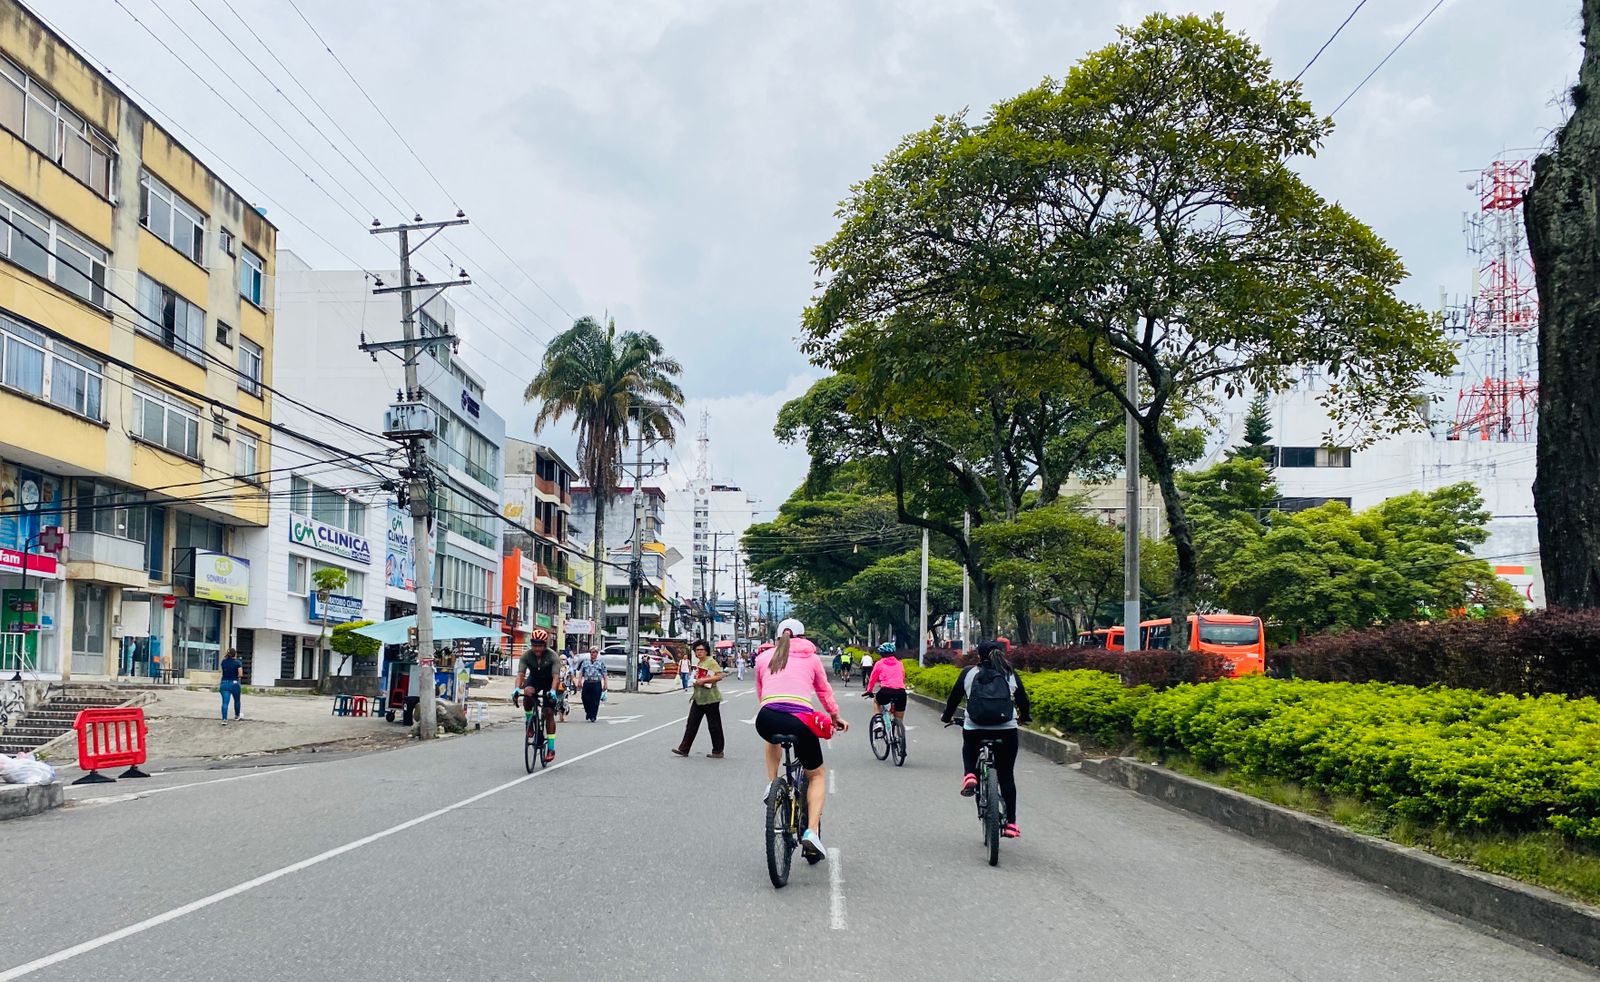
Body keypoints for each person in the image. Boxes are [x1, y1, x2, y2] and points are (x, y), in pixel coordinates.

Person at [755, 618, 847, 862]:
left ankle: (772, 783)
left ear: (777, 637)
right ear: (803, 637)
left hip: (766, 718)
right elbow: (824, 692)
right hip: (800, 721)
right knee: (816, 775)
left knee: (771, 738)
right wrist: (835, 717)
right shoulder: (811, 658)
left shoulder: (763, 658)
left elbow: (762, 695)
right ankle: (812, 832)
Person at [940, 640, 1031, 840]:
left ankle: (970, 775)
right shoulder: (1010, 673)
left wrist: (946, 717)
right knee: (1006, 776)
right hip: (1006, 729)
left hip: (976, 727)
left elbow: (954, 698)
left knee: (969, 746)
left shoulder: (968, 673)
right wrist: (1025, 717)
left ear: (979, 656)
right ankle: (1011, 824)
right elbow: (1023, 700)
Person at [672, 639, 725, 758]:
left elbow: (720, 675)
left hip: (711, 698)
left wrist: (704, 680)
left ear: (706, 651)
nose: (699, 652)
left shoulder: (711, 661)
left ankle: (718, 750)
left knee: (714, 725)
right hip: (698, 697)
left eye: (701, 650)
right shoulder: (700, 663)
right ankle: (684, 749)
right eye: (697, 650)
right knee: (691, 724)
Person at [515, 629, 562, 763]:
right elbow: (520, 674)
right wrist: (516, 689)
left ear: (545, 645)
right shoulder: (526, 656)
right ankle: (529, 722)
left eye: (540, 645)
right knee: (527, 693)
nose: (537, 648)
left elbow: (556, 676)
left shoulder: (553, 656)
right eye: (534, 645)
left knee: (548, 712)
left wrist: (553, 691)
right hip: (534, 679)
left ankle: (551, 748)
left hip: (549, 681)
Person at [861, 641, 906, 727]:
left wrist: (869, 691)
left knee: (876, 701)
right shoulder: (900, 664)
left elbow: (872, 679)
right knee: (899, 719)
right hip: (901, 692)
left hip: (886, 691)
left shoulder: (879, 664)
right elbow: (902, 678)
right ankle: (900, 732)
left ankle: (878, 722)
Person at [577, 647, 608, 721]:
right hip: (587, 682)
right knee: (585, 698)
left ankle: (593, 716)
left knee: (595, 700)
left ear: (597, 653)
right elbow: (581, 672)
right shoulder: (585, 662)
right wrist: (579, 681)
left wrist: (605, 683)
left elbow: (604, 673)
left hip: (596, 683)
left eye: (594, 652)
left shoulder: (600, 663)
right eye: (591, 652)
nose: (592, 654)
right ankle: (588, 712)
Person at [219, 648, 243, 725]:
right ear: (235, 654)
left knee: (225, 702)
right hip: (234, 683)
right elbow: (240, 674)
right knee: (237, 700)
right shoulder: (237, 663)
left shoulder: (223, 662)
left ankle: (224, 719)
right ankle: (237, 716)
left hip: (224, 683)